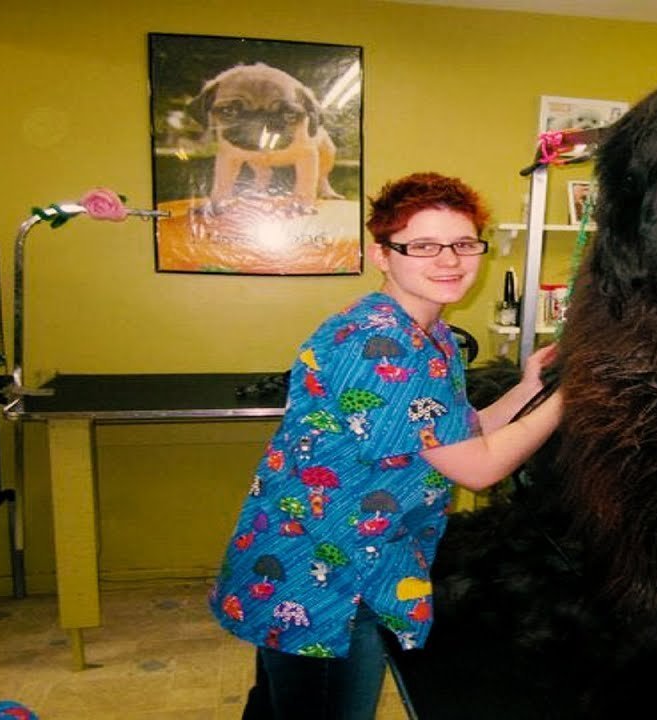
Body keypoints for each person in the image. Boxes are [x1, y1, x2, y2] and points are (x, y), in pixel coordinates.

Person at [209, 172, 562, 719]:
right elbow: (479, 468)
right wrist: (571, 400)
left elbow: (455, 433)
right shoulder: (380, 343)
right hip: (325, 578)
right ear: (382, 254)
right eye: (423, 246)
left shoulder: (431, 334)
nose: (449, 260)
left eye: (463, 243)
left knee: (279, 708)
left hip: (354, 557)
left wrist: (530, 388)